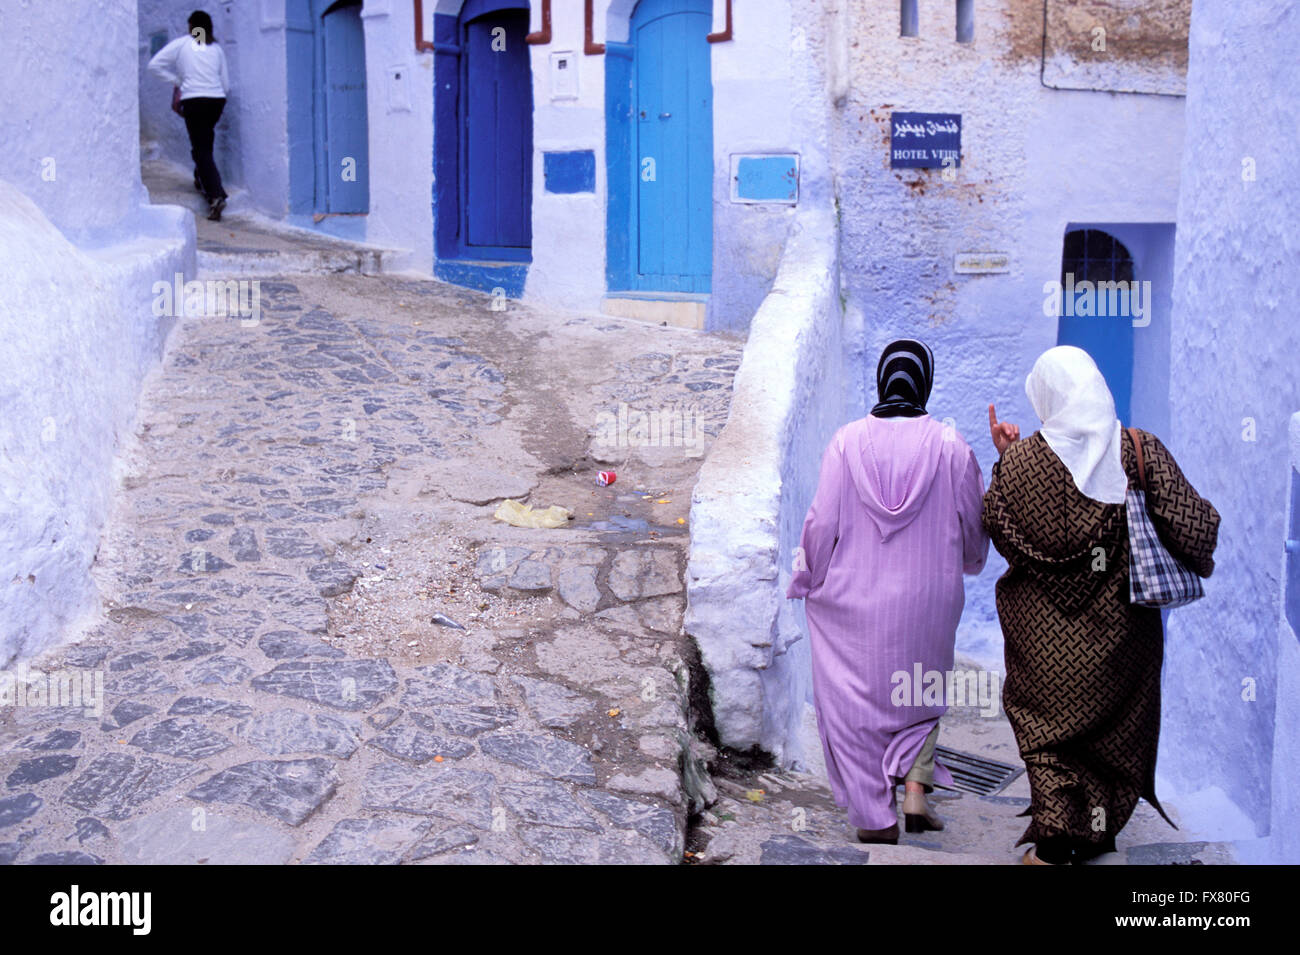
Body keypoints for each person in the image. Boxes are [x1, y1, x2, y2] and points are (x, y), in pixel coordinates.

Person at [982, 346, 1220, 865]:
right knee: (1114, 731)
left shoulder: (1019, 464)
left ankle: (1052, 839)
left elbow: (998, 525)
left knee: (1049, 737)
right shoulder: (1139, 450)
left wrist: (1006, 460)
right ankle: (1090, 831)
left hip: (1042, 640)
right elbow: (1197, 531)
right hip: (1122, 640)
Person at [787, 340, 989, 844]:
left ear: (883, 382)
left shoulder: (846, 442)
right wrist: (967, 562)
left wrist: (811, 574)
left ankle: (874, 817)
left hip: (855, 600)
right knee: (919, 692)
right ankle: (915, 792)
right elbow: (973, 528)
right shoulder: (952, 447)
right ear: (925, 383)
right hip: (929, 600)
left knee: (854, 701)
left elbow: (822, 522)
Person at [148, 11, 230, 221]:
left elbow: (154, 65)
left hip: (194, 100)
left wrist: (178, 81)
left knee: (201, 148)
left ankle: (215, 195)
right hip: (216, 101)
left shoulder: (182, 44)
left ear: (192, 26)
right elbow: (226, 84)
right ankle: (201, 179)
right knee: (205, 142)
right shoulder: (216, 49)